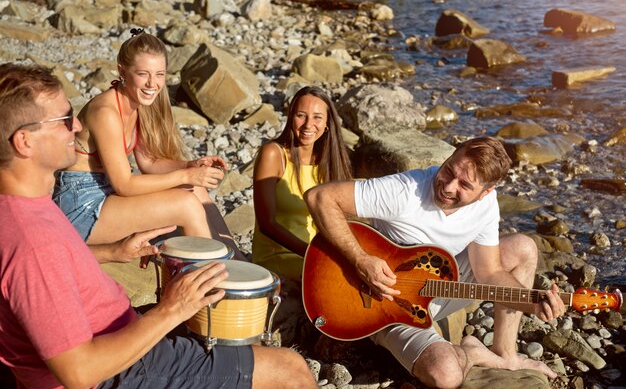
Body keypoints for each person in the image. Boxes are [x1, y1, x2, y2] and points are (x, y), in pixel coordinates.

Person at [0, 63, 318, 389]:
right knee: (288, 369)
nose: (78, 124)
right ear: (24, 141)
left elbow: (41, 273)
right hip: (117, 372)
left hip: (118, 340)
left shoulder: (22, 207)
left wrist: (112, 251)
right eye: (65, 120)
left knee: (227, 344)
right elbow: (78, 373)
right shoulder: (32, 239)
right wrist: (171, 310)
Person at [304, 136, 566, 388]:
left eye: (465, 185)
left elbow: (489, 272)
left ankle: (505, 353)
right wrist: (361, 260)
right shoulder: (405, 190)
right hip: (383, 303)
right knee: (446, 375)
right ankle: (472, 354)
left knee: (523, 247)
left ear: (486, 192)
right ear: (451, 155)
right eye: (450, 170)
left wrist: (531, 301)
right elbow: (320, 198)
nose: (449, 186)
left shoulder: (486, 206)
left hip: (438, 288)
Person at [52, 29, 240, 256]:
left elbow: (149, 163)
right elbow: (125, 185)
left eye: (160, 74)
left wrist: (190, 166)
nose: (153, 83)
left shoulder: (136, 103)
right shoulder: (105, 112)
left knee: (195, 188)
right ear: (122, 70)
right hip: (82, 205)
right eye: (143, 74)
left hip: (107, 194)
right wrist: (185, 175)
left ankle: (236, 261)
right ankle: (217, 279)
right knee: (186, 204)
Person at [252, 86, 352, 281]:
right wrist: (313, 255)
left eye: (317, 117)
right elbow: (267, 224)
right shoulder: (273, 154)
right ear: (291, 117)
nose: (308, 125)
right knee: (337, 279)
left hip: (314, 253)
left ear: (327, 124)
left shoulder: (330, 161)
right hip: (278, 256)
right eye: (301, 115)